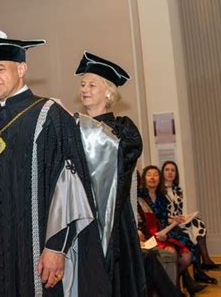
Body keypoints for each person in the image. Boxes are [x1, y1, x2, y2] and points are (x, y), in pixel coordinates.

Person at [0, 32, 94, 296]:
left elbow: (68, 185)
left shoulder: (49, 115)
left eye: (0, 68)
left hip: (34, 252)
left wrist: (56, 247)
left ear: (21, 69)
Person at [70, 51, 146, 296]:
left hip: (113, 217)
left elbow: (118, 169)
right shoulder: (71, 128)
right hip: (79, 214)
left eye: (92, 84)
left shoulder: (123, 130)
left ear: (109, 92)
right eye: (83, 84)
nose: (85, 89)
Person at [138, 165, 205, 295]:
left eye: (156, 175)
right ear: (144, 178)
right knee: (172, 252)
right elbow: (140, 223)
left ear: (160, 179)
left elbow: (162, 219)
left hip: (163, 233)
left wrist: (172, 223)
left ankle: (171, 285)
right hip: (148, 235)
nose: (152, 177)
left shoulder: (162, 197)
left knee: (187, 256)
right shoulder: (139, 197)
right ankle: (173, 290)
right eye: (149, 174)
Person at [162, 160, 218, 283]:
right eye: (167, 170)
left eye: (173, 170)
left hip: (178, 222)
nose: (170, 173)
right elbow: (161, 214)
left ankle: (202, 267)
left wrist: (183, 218)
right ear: (163, 173)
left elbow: (178, 210)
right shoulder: (160, 191)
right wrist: (173, 220)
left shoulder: (178, 190)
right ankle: (204, 264)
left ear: (176, 174)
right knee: (193, 233)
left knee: (197, 224)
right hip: (168, 224)